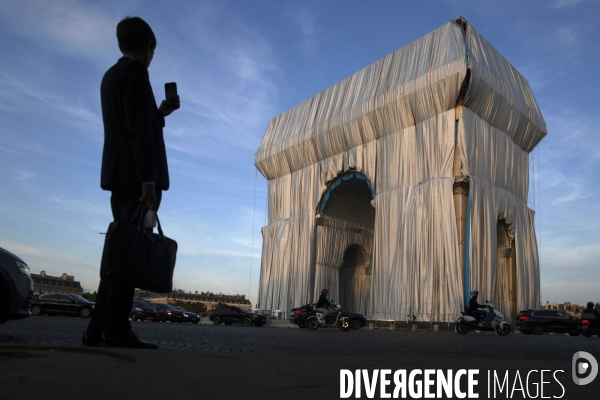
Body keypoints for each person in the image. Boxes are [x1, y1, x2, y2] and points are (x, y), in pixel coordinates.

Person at [82, 16, 180, 349]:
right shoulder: (137, 72)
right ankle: (117, 331)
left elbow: (131, 122)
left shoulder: (111, 75)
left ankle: (97, 329)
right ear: (148, 46)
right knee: (129, 258)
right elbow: (138, 132)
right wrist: (148, 181)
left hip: (118, 175)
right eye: (153, 50)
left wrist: (160, 113)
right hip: (138, 181)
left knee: (118, 255)